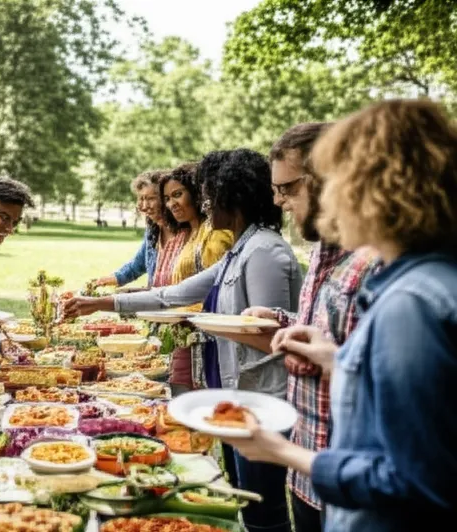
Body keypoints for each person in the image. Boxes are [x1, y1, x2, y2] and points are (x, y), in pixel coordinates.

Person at [222, 99, 457, 532]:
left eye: (337, 182)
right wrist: (337, 360)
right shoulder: (428, 280)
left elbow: (414, 479)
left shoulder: (413, 301)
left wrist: (280, 452)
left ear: (378, 188)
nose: (329, 199)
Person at [65, 148, 301, 532]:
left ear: (232, 195)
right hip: (234, 396)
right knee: (241, 498)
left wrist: (208, 322)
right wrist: (102, 302)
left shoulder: (265, 252)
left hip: (263, 402)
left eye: (208, 195)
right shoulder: (239, 249)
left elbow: (271, 339)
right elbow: (172, 294)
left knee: (264, 511)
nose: (204, 205)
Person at [231, 124, 379, 532]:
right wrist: (282, 321)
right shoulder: (319, 251)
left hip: (350, 483)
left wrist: (333, 361)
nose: (277, 201)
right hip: (305, 467)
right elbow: (328, 329)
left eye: (288, 188)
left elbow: (394, 379)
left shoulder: (377, 262)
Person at [159, 162, 234, 394]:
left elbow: (217, 289)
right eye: (168, 198)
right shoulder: (191, 233)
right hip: (184, 334)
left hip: (203, 339)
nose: (171, 203)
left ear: (197, 194)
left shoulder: (215, 232)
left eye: (178, 194)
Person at [90, 170, 164, 289]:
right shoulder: (152, 231)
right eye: (141, 199)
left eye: (151, 199)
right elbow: (137, 265)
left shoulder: (181, 232)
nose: (144, 206)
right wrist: (104, 281)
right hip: (156, 303)